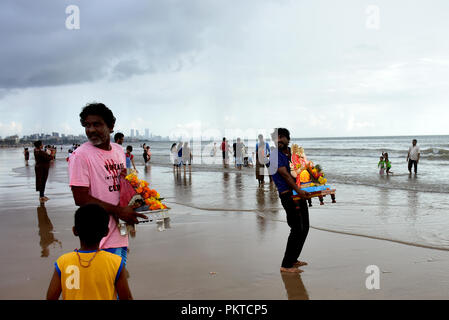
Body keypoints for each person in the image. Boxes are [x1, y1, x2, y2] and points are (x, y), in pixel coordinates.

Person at [68, 103, 148, 267]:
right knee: (105, 288)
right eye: (87, 125)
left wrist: (139, 198)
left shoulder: (119, 150)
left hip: (120, 232)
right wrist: (119, 211)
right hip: (99, 238)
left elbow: (124, 185)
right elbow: (80, 198)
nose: (91, 130)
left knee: (117, 285)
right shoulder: (80, 156)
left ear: (111, 126)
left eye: (97, 124)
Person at [46, 204, 132, 300]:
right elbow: (126, 297)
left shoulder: (63, 262)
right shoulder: (115, 262)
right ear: (106, 232)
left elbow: (51, 297)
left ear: (74, 231)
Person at [268, 128, 310, 273]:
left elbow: (300, 171)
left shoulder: (292, 154)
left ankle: (293, 259)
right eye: (275, 138)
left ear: (287, 138)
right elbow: (285, 175)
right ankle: (286, 265)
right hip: (288, 194)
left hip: (299, 193)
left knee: (305, 226)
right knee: (296, 228)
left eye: (281, 137)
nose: (278, 140)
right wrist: (299, 191)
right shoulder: (274, 154)